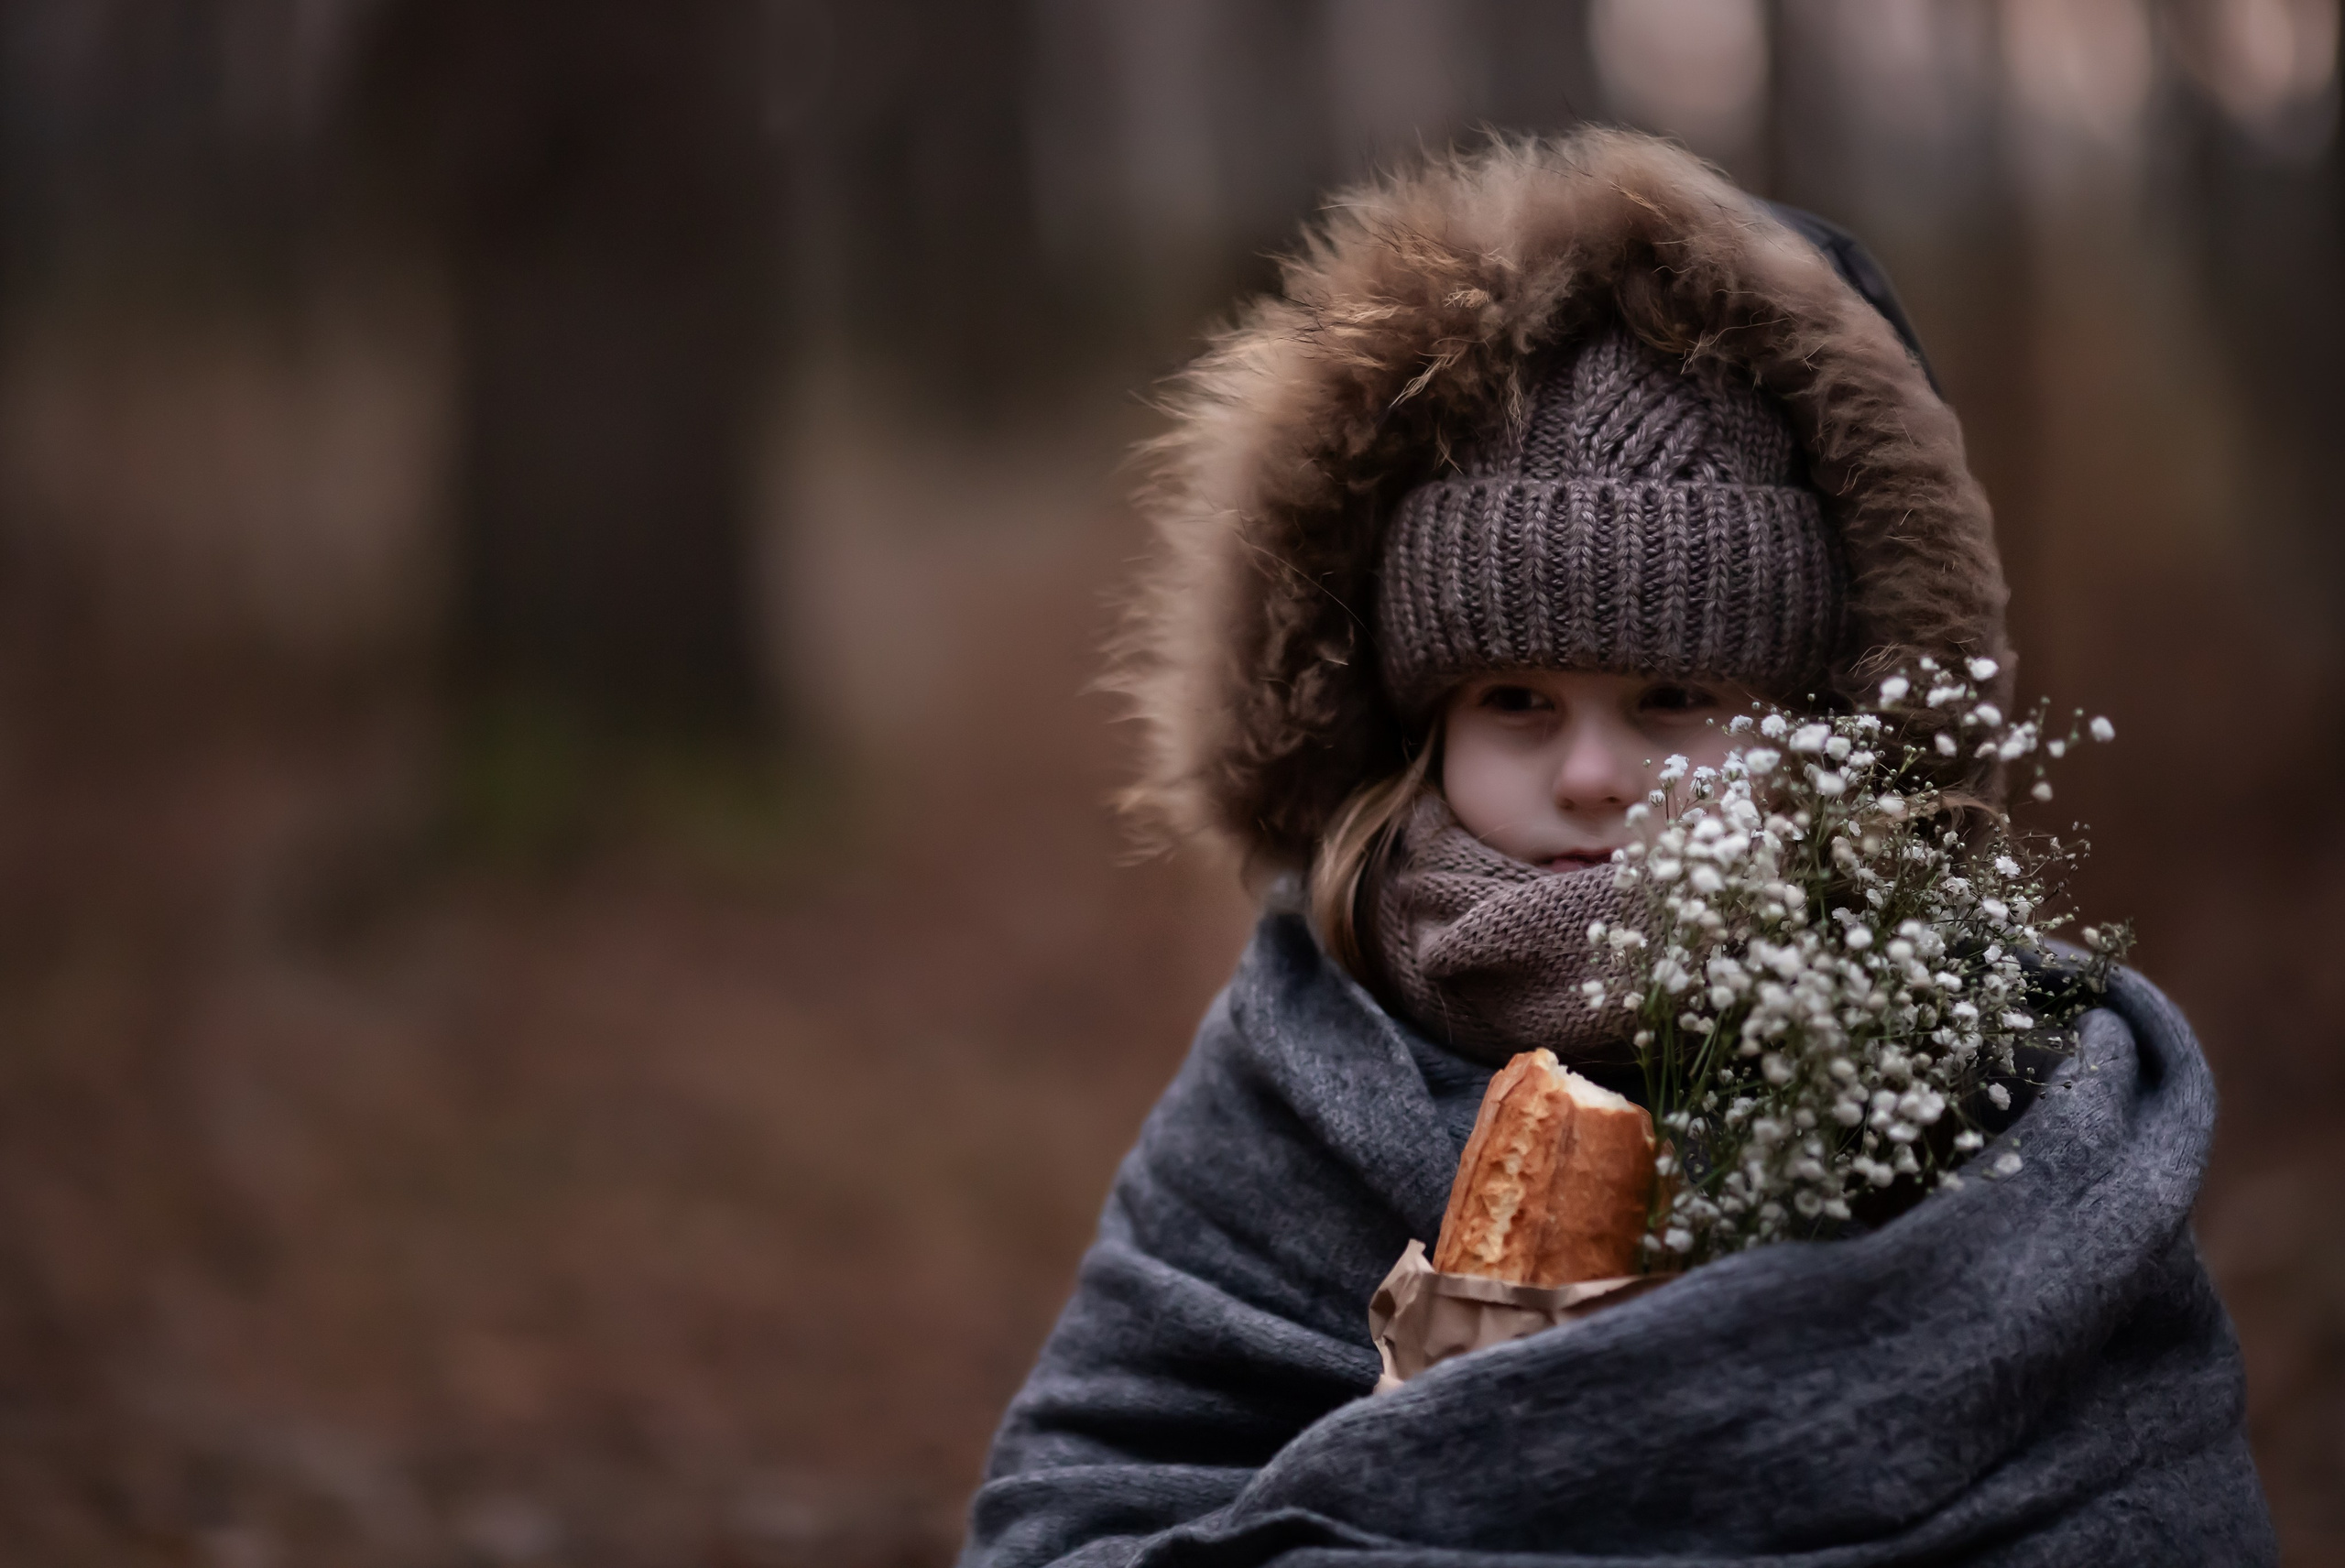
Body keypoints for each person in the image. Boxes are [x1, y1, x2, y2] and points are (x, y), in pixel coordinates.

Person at [957, 130, 2274, 1568]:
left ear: (1819, 729)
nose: (1592, 775)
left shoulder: (2003, 1104)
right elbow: (1070, 1515)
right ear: (1420, 728)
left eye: (1676, 701)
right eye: (1517, 699)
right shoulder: (1295, 1077)